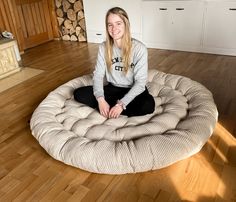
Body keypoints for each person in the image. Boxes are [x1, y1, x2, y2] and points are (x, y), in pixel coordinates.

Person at [74, 7, 155, 118]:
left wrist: (121, 104)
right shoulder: (103, 47)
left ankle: (116, 108)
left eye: (118, 23)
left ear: (126, 25)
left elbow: (140, 83)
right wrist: (101, 100)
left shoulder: (139, 48)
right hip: (113, 88)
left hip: (132, 89)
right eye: (110, 24)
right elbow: (98, 76)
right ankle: (111, 107)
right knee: (79, 94)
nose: (114, 28)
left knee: (148, 105)